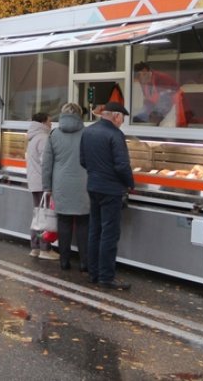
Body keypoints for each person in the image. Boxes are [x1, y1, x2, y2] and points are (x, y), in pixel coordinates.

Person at [80, 101, 135, 290]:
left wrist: (96, 173)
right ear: (116, 116)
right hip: (111, 190)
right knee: (109, 235)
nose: (122, 122)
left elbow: (83, 160)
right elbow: (122, 165)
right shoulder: (115, 134)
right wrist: (130, 183)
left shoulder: (88, 131)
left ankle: (93, 273)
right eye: (122, 118)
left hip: (93, 186)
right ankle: (106, 277)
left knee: (94, 231)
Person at [43, 102, 89, 271]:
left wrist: (47, 187)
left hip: (61, 185)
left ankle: (64, 261)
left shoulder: (54, 134)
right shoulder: (87, 133)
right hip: (84, 184)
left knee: (64, 223)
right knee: (84, 223)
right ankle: (85, 262)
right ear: (79, 115)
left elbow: (46, 164)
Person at [26, 112, 57, 260]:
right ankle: (45, 248)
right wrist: (49, 183)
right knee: (45, 216)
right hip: (42, 182)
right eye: (49, 121)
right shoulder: (44, 138)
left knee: (38, 215)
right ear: (43, 122)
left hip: (34, 181)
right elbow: (47, 163)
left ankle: (35, 247)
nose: (51, 124)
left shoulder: (32, 137)